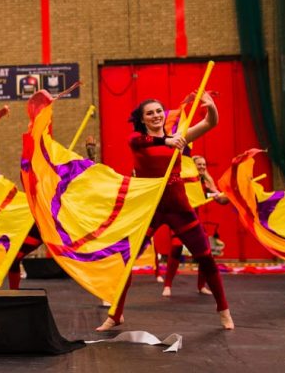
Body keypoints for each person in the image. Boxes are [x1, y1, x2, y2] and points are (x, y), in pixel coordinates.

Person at [97, 93, 234, 331]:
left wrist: (211, 108)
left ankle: (223, 311)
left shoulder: (179, 138)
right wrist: (166, 142)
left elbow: (210, 124)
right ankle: (115, 314)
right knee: (126, 263)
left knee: (205, 258)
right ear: (142, 119)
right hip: (149, 209)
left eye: (159, 111)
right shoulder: (137, 139)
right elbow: (142, 143)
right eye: (149, 113)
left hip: (179, 208)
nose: (155, 116)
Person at [161, 155, 229, 297]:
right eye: (199, 164)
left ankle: (201, 286)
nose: (202, 167)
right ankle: (167, 286)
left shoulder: (206, 184)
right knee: (176, 247)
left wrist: (231, 194)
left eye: (204, 165)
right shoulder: (184, 180)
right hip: (179, 221)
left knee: (205, 252)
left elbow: (222, 200)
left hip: (195, 223)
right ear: (192, 167)